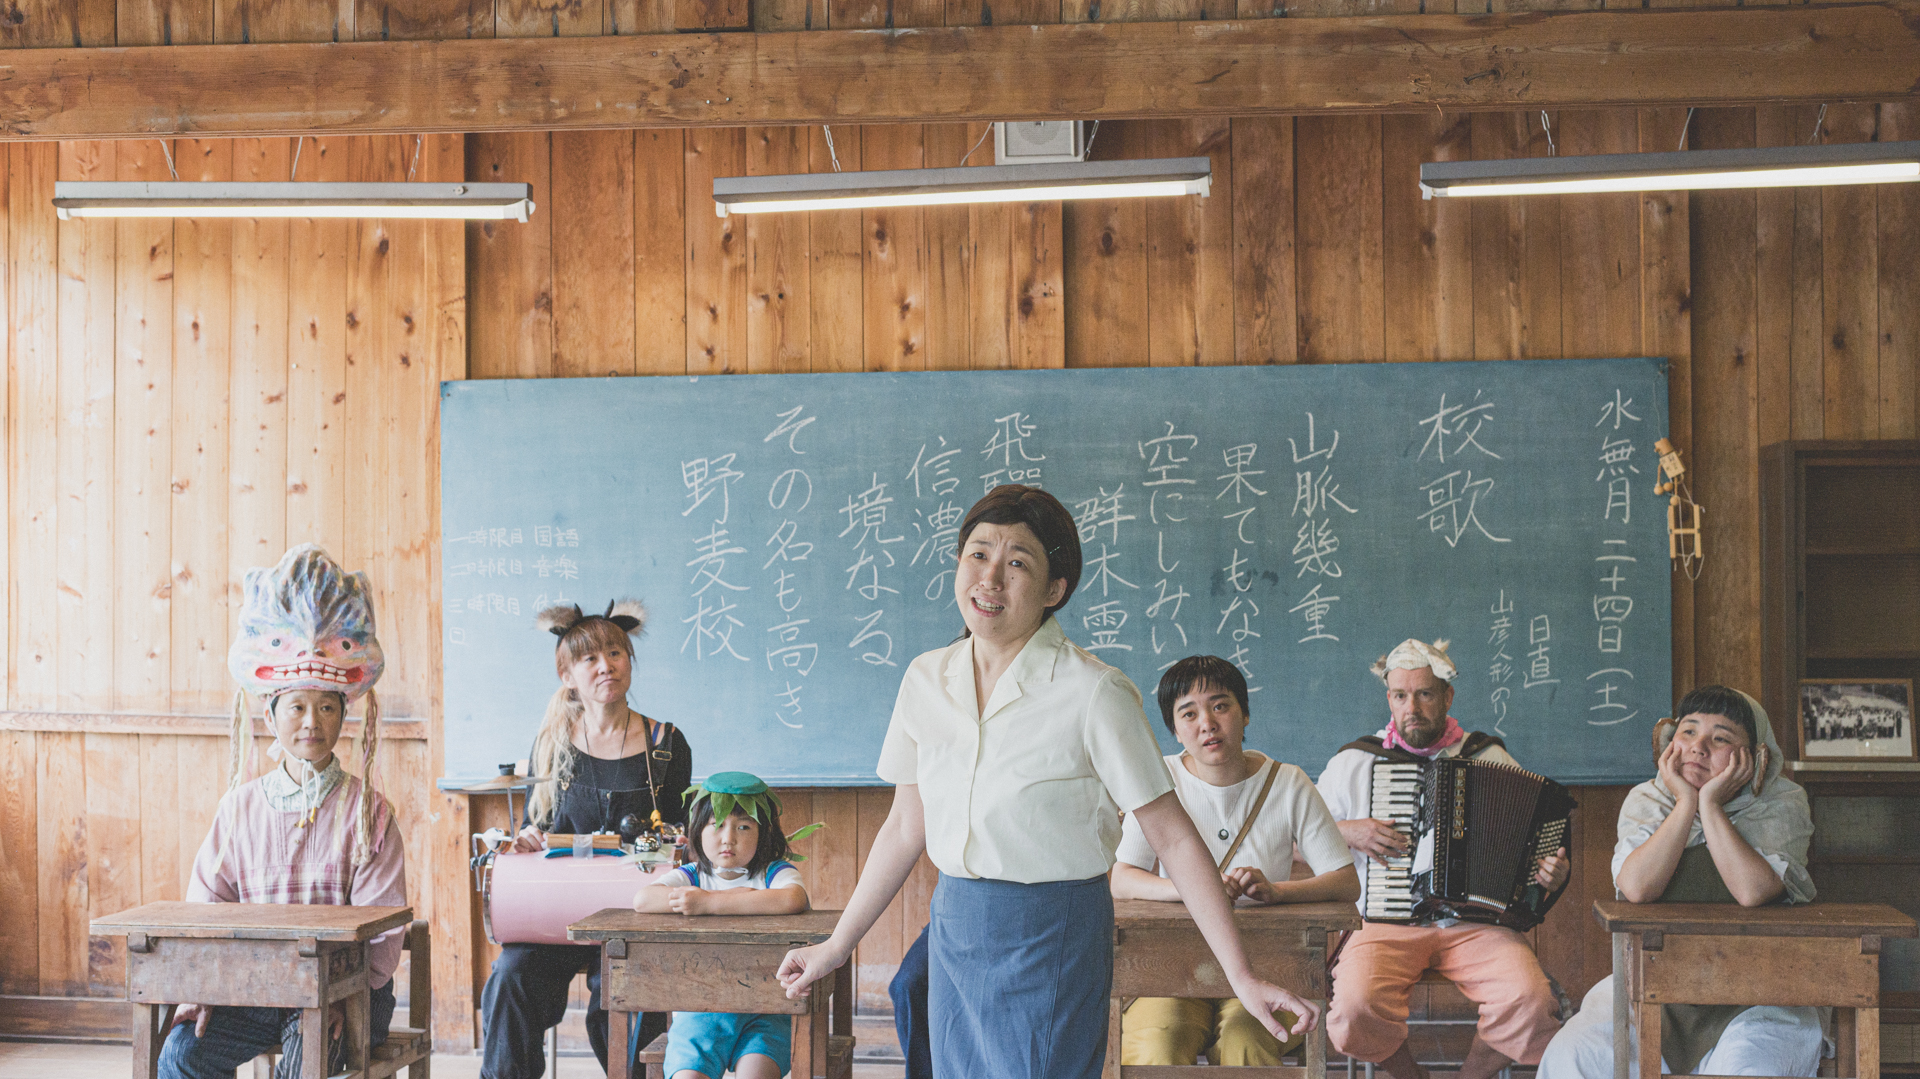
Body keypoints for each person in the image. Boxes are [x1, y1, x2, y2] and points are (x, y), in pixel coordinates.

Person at [775, 484, 1319, 1079]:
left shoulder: (1093, 691)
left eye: (1017, 563)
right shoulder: (925, 679)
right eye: (978, 554)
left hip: (1053, 932)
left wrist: (1240, 976)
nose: (990, 579)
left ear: (1054, 589)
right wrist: (836, 946)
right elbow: (907, 826)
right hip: (955, 924)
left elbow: (1173, 837)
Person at [159, 544, 406, 1079]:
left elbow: (383, 932)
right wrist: (200, 989)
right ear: (272, 716)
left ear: (343, 717)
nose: (311, 722)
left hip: (350, 994)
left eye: (326, 707)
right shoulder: (240, 807)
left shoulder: (369, 811)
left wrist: (345, 993)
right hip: (253, 989)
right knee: (181, 1054)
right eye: (296, 705)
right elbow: (207, 905)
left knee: (306, 1055)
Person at [1317, 637, 1569, 1079]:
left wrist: (1549, 872)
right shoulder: (1354, 762)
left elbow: (1524, 850)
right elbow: (1301, 842)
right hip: (1383, 922)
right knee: (1353, 1008)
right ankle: (1411, 1077)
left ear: (1447, 697)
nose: (1411, 706)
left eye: (1425, 693)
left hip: (1473, 924)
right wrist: (1347, 831)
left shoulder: (1488, 757)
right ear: (1389, 699)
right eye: (1400, 695)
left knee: (1531, 1001)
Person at [1537, 686, 1819, 1079]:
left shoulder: (1782, 804)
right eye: (1688, 732)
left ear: (1756, 758)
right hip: (1648, 987)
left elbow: (1752, 891)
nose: (1698, 747)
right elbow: (1636, 888)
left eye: (1720, 738)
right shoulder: (1649, 800)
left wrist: (1711, 805)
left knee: (1750, 1066)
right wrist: (1686, 803)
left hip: (1759, 996)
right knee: (1575, 1054)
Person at [480, 600, 694, 1079]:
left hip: (633, 918)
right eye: (590, 659)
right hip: (558, 914)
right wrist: (530, 838)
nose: (606, 667)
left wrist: (648, 848)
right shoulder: (552, 740)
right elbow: (541, 824)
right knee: (509, 978)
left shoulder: (666, 743)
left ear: (630, 662)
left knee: (618, 990)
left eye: (615, 654)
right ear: (567, 674)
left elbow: (679, 844)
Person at [1114, 655, 1360, 1067]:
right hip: (1170, 964)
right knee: (1159, 1042)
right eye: (1188, 713)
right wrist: (1191, 888)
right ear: (1174, 730)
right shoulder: (1160, 780)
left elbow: (1345, 881)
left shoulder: (1289, 782)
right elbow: (1121, 879)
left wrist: (1277, 891)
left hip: (1270, 963)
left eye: (1221, 705)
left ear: (1245, 714)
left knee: (1247, 1042)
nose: (1207, 722)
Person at [635, 772, 812, 1079]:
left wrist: (709, 903)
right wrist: (721, 898)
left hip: (766, 1012)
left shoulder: (774, 873)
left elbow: (793, 898)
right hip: (697, 1011)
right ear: (697, 831)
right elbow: (643, 900)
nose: (728, 838)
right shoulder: (691, 875)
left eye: (743, 826)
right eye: (716, 824)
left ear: (764, 833)